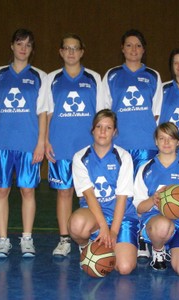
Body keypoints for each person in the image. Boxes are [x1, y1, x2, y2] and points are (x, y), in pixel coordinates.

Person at [0, 28, 47, 258]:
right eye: (19, 43)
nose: (23, 48)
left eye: (28, 45)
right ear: (12, 46)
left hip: (28, 144)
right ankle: (2, 240)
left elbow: (43, 114)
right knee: (1, 190)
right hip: (0, 142)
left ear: (32, 49)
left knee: (27, 190)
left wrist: (41, 143)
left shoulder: (40, 76)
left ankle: (27, 239)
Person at [102, 29, 163, 258]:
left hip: (146, 145)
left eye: (138, 45)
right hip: (120, 146)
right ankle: (121, 234)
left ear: (144, 50)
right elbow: (105, 112)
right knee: (122, 193)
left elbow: (157, 114)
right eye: (129, 45)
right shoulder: (111, 75)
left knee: (143, 193)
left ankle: (142, 238)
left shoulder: (153, 76)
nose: (133, 50)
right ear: (122, 48)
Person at [44, 33, 103, 257]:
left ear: (82, 52)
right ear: (60, 52)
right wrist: (46, 140)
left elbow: (101, 115)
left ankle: (93, 235)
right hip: (60, 145)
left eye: (75, 48)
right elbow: (47, 113)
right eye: (66, 48)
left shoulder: (94, 78)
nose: (71, 52)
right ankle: (65, 238)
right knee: (64, 193)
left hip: (88, 149)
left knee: (91, 194)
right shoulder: (51, 79)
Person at [67, 109, 138, 275]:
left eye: (108, 127)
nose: (103, 131)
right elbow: (89, 196)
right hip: (94, 213)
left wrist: (113, 231)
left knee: (124, 268)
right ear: (92, 130)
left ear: (115, 132)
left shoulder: (123, 156)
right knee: (76, 224)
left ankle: (122, 243)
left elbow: (122, 198)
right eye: (99, 126)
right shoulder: (80, 157)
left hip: (122, 216)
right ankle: (86, 248)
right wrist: (103, 226)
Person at [133, 122, 179, 276]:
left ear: (178, 142)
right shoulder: (145, 168)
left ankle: (173, 246)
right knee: (163, 225)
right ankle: (158, 250)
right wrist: (153, 199)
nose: (166, 142)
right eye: (161, 138)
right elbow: (139, 207)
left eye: (170, 138)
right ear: (156, 141)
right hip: (157, 221)